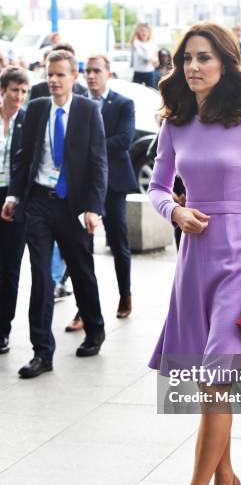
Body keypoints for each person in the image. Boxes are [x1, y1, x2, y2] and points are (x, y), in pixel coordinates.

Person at [148, 22, 241, 485]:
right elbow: (158, 188)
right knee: (211, 383)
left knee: (215, 382)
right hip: (194, 261)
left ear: (225, 62)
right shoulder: (175, 122)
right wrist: (175, 210)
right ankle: (226, 479)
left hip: (240, 263)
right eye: (186, 59)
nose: (194, 67)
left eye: (204, 57)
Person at [1, 50, 107, 378]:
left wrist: (93, 207)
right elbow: (23, 156)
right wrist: (15, 195)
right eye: (50, 73)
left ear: (73, 77)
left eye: (60, 74)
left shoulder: (88, 111)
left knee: (81, 269)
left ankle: (95, 329)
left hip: (74, 205)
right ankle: (41, 352)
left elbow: (98, 162)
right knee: (42, 275)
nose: (53, 80)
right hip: (40, 203)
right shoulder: (35, 109)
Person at [65, 54, 138, 332]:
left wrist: (90, 148)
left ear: (108, 73)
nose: (91, 75)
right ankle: (83, 309)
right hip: (84, 186)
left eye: (97, 70)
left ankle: (125, 294)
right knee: (82, 248)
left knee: (119, 242)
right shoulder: (78, 104)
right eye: (87, 71)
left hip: (115, 184)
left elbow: (124, 140)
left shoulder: (122, 104)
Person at [0, 67, 29, 354]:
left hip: (14, 198)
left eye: (23, 91)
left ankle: (3, 329)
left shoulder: (27, 121)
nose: (19, 96)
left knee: (10, 267)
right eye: (14, 90)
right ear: (3, 91)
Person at [130, 23, 158, 88]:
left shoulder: (152, 44)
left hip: (149, 73)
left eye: (146, 31)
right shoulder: (135, 43)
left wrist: (155, 60)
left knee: (151, 92)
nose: (144, 32)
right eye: (142, 30)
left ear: (149, 32)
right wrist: (150, 59)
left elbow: (156, 59)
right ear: (138, 32)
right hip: (138, 72)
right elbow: (142, 56)